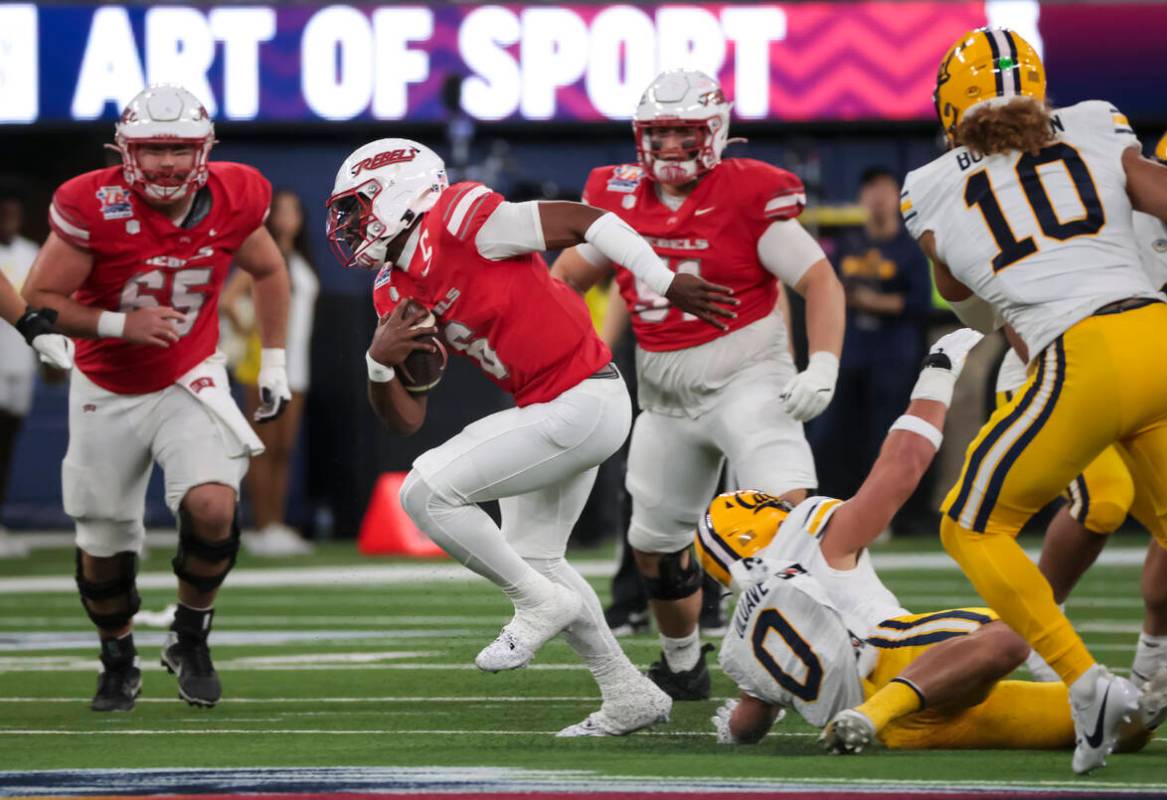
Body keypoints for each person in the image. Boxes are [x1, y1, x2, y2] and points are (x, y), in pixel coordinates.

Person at [326, 137, 734, 736]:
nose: (350, 225)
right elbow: (403, 419)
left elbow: (589, 220)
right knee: (538, 559)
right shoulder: (393, 288)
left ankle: (535, 602)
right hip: (553, 409)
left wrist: (663, 279)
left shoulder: (461, 216)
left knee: (425, 492)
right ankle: (627, 693)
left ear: (398, 193)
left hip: (584, 398)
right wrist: (378, 364)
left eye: (357, 208)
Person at [901, 28, 1167, 773]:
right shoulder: (1097, 120)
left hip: (1081, 355)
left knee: (969, 523)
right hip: (1165, 344)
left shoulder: (925, 187)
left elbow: (959, 290)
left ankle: (1084, 681)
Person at [693, 330, 1167, 752]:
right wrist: (936, 374)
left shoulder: (741, 635)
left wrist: (737, 731)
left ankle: (1126, 700)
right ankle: (877, 712)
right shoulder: (809, 531)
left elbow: (748, 723)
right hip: (899, 657)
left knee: (1118, 723)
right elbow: (902, 467)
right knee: (1020, 623)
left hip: (910, 731)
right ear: (759, 517)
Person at [551, 69, 845, 701]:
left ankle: (829, 648)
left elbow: (819, 280)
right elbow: (568, 273)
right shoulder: (617, 195)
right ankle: (683, 664)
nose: (671, 149)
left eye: (684, 134)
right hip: (664, 394)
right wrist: (561, 341)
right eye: (659, 134)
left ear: (714, 133)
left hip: (748, 375)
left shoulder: (750, 191)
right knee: (653, 545)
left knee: (787, 519)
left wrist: (822, 364)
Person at [22, 85, 291, 712]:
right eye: (153, 149)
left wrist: (273, 361)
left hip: (188, 374)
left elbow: (270, 269)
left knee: (214, 506)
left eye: (179, 147)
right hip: (107, 383)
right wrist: (120, 325)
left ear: (204, 150)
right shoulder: (91, 201)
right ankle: (117, 657)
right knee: (104, 543)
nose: (167, 162)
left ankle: (190, 634)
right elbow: (41, 301)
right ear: (125, 152)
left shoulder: (236, 192)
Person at [993, 118, 1167, 692]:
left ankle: (1159, 654)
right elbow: (1020, 300)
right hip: (1059, 375)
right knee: (1102, 502)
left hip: (1152, 391)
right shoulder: (1112, 220)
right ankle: (1032, 633)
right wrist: (1055, 371)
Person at [810, 167, 931, 498]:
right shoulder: (847, 243)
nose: (878, 199)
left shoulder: (912, 246)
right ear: (861, 197)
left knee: (887, 432)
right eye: (871, 191)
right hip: (850, 351)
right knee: (834, 431)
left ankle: (890, 507)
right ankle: (827, 499)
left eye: (885, 191)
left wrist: (871, 301)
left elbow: (919, 302)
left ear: (897, 197)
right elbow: (827, 291)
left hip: (894, 352)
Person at [221, 189, 320, 556]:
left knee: (284, 448)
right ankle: (261, 526)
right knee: (262, 447)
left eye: (294, 210)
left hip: (298, 367)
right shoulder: (265, 255)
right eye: (281, 211)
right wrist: (250, 330)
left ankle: (276, 524)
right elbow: (228, 299)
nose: (288, 217)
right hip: (265, 364)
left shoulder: (299, 259)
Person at [0, 189, 73, 556]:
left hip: (17, 362)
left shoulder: (30, 253)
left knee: (6, 444)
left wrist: (46, 350)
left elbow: (38, 305)